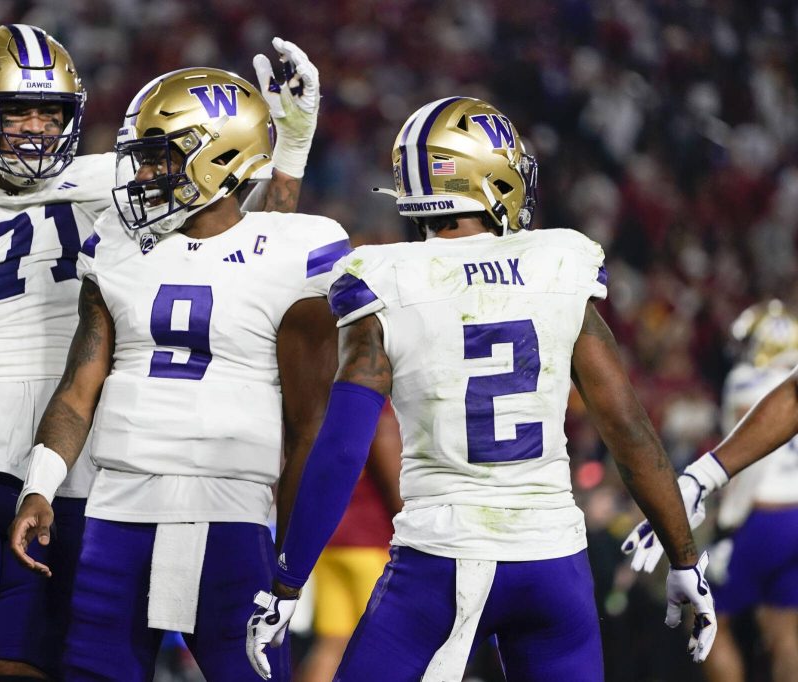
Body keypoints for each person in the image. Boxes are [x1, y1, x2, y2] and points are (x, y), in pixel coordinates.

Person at [0, 24, 318, 682]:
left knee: (36, 665)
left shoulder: (112, 184)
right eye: (18, 111)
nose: (37, 128)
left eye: (51, 112)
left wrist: (289, 151)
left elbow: (238, 247)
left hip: (72, 463)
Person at [245, 96, 717, 681]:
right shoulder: (558, 264)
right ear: (490, 178)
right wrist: (684, 559)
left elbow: (342, 447)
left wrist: (286, 583)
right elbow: (628, 428)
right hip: (552, 561)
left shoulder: (386, 277)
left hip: (439, 561)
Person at [8, 65, 348, 681]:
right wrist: (40, 484)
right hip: (118, 509)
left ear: (219, 157)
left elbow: (310, 427)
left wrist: (291, 563)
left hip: (230, 512)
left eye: (158, 157)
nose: (141, 175)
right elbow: (79, 388)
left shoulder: (295, 249)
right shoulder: (116, 243)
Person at [624, 300, 798, 682]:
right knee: (785, 630)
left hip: (760, 518)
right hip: (795, 515)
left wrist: (727, 522)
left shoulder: (747, 380)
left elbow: (750, 464)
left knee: (705, 616)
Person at [297, 403, 400, 682]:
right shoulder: (376, 401)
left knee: (333, 644)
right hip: (371, 541)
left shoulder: (324, 400)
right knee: (387, 647)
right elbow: (393, 476)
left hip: (328, 540)